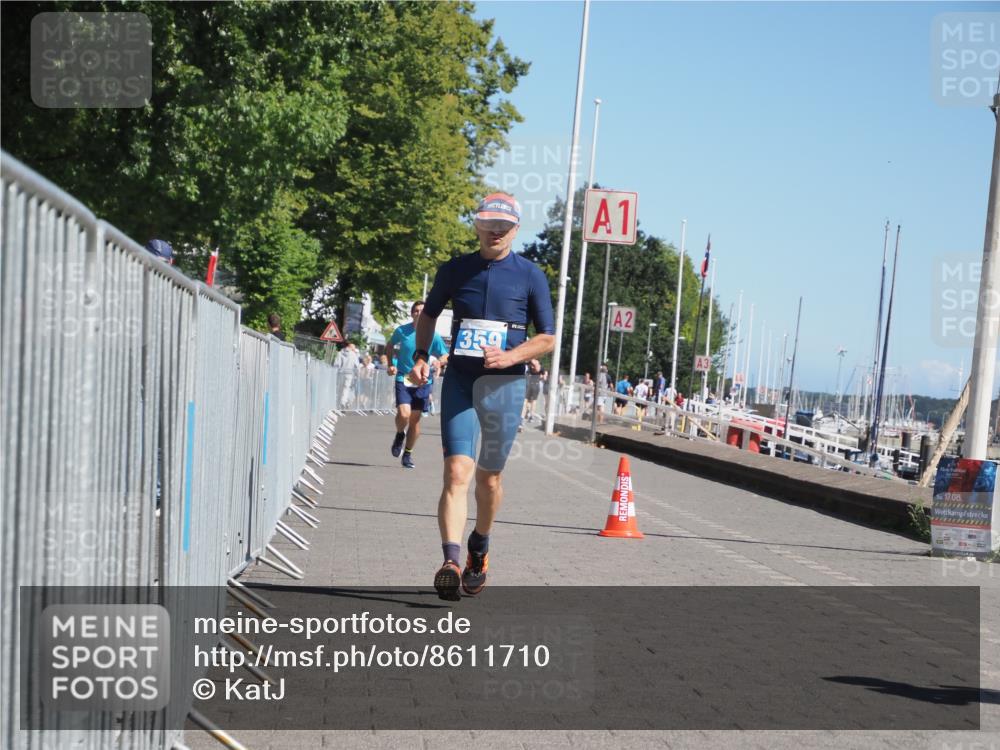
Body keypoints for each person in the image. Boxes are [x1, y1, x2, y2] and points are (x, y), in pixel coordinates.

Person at [407, 192, 555, 600]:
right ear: (475, 225)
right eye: (488, 224)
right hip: (460, 381)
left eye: (503, 227)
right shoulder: (455, 270)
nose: (494, 232)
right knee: (456, 472)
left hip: (504, 386)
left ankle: (479, 546)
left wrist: (510, 356)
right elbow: (430, 314)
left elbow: (547, 337)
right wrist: (422, 354)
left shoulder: (530, 275)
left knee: (489, 479)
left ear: (515, 231)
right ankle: (451, 561)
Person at [386, 300, 448, 468]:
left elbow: (445, 354)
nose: (419, 313)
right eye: (416, 311)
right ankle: (400, 434)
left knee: (414, 421)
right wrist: (390, 364)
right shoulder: (402, 331)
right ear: (412, 313)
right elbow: (390, 345)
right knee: (404, 414)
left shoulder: (432, 335)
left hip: (423, 382)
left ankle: (407, 454)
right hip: (404, 378)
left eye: (422, 311)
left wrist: (439, 363)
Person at [334, 341, 361, 407]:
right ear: (350, 347)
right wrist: (357, 374)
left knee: (339, 388)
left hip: (340, 373)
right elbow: (357, 366)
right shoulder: (353, 354)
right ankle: (343, 402)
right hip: (349, 373)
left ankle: (337, 403)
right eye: (353, 348)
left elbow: (337, 364)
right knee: (346, 388)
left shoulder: (339, 353)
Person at [520, 359, 543, 431]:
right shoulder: (527, 366)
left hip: (534, 386)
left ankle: (530, 415)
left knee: (531, 402)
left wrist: (531, 359)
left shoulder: (537, 367)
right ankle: (522, 420)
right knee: (525, 403)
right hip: (526, 386)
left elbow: (539, 369)